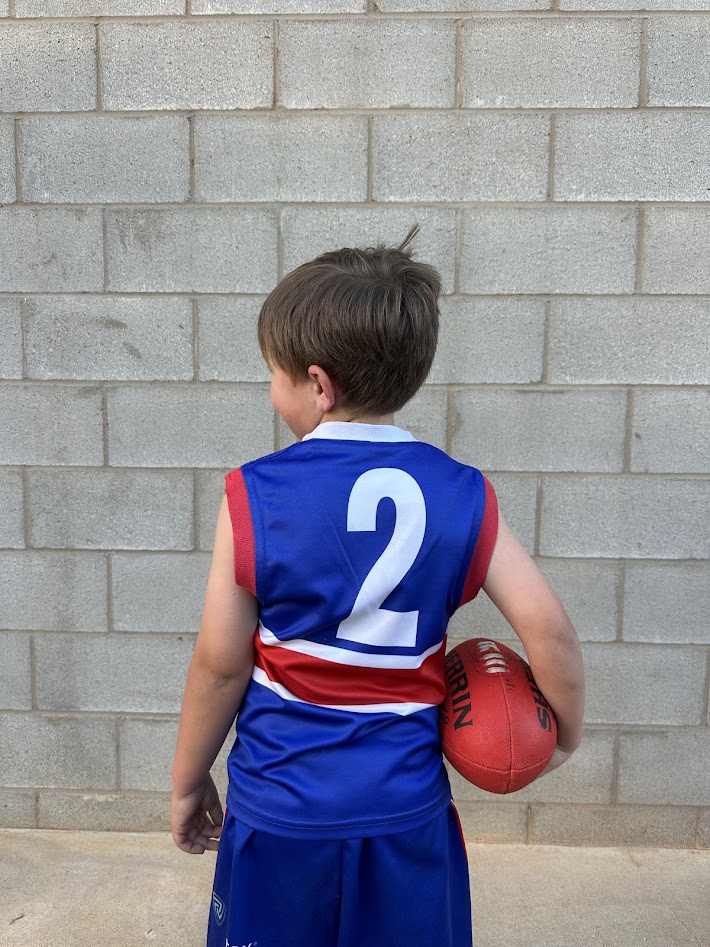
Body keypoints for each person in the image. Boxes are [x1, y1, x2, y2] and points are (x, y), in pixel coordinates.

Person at [170, 223, 585, 947]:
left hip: (281, 806)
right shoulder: (461, 492)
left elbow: (220, 666)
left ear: (318, 385)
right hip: (405, 812)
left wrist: (188, 779)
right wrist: (562, 739)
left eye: (274, 374)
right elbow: (547, 628)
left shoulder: (255, 495)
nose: (270, 391)